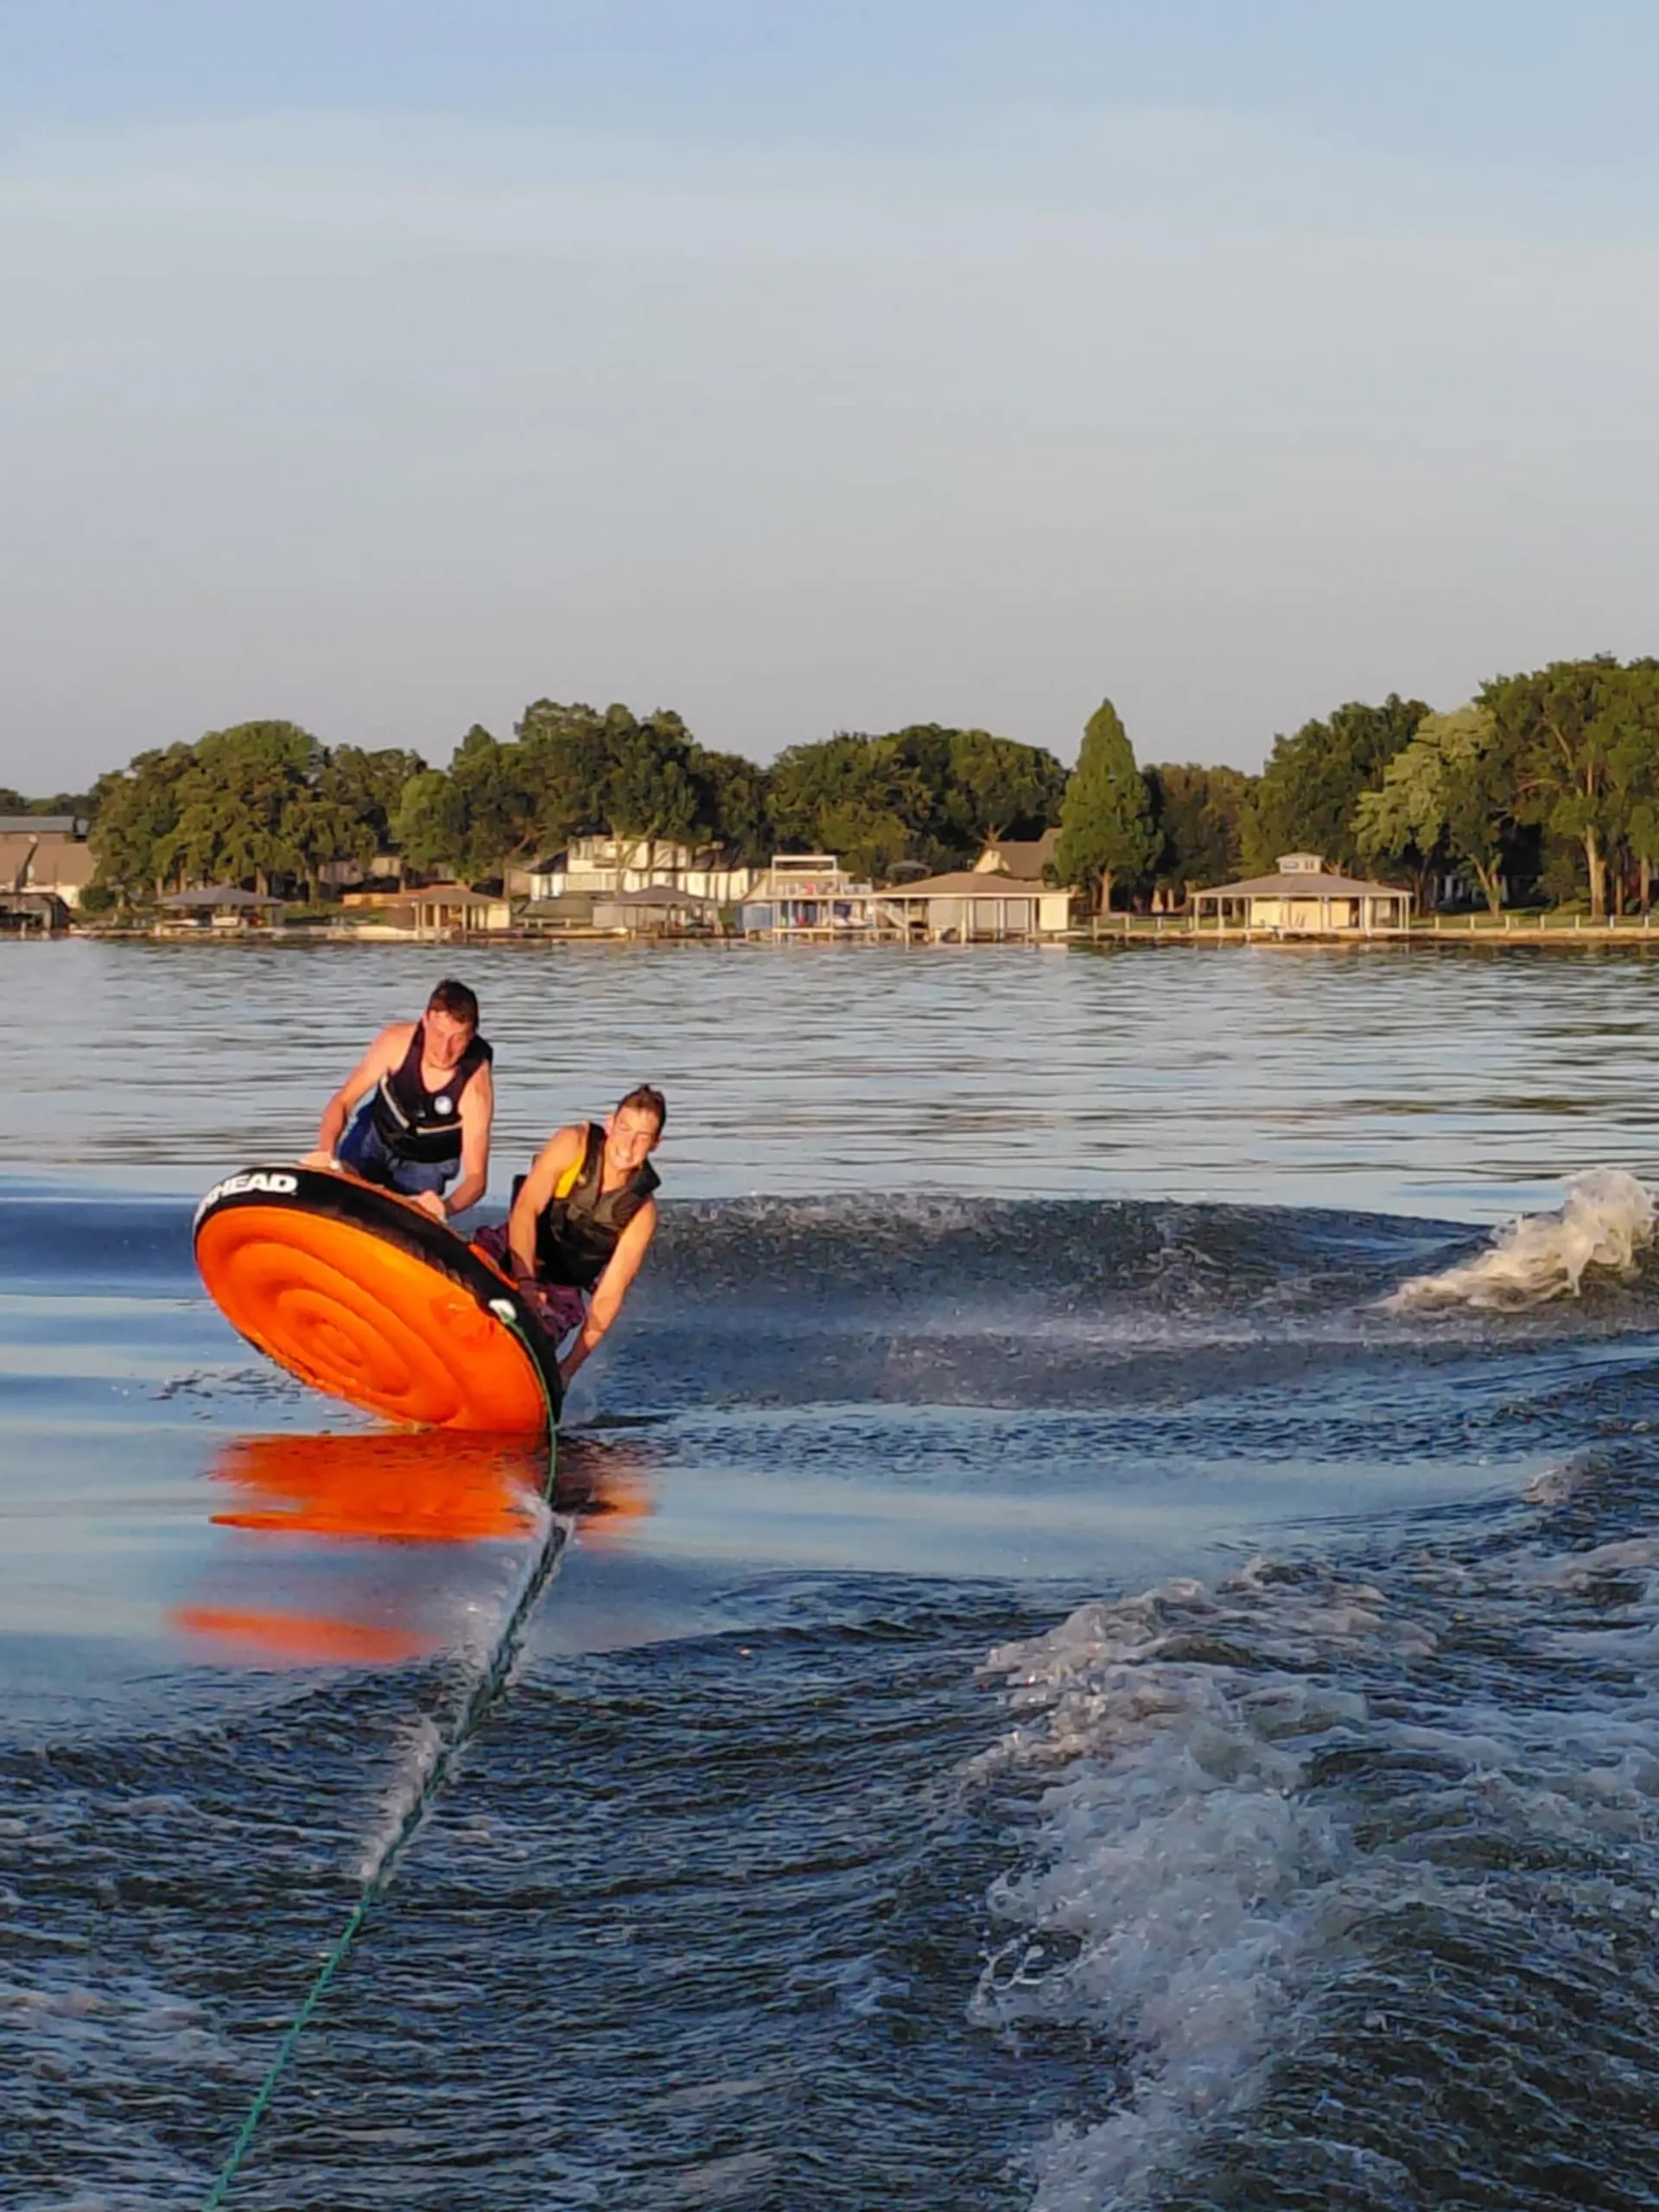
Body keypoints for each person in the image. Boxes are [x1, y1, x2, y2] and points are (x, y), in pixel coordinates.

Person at [478, 1085, 664, 1382]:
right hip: (511, 1251)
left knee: (538, 1334)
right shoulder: (572, 1144)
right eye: (624, 1129)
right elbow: (526, 1209)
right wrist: (524, 1283)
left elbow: (608, 1296)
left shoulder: (641, 1213)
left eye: (642, 1138)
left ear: (656, 1144)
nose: (628, 1145)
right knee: (467, 1268)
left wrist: (566, 1371)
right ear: (609, 1124)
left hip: (558, 1291)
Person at [305, 979, 494, 1224]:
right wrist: (326, 1152)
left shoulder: (476, 1090)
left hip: (427, 1164)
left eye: (457, 1039)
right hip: (375, 1138)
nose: (444, 1050)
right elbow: (342, 1102)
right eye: (437, 1035)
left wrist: (443, 1208)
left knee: (397, 1220)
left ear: (472, 1036)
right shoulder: (395, 1043)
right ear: (425, 1021)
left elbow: (476, 1179)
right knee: (338, 1181)